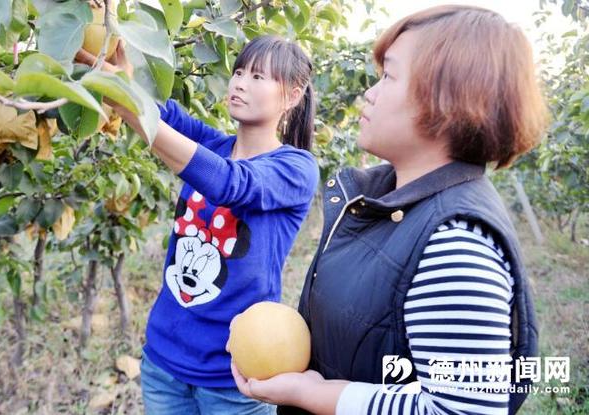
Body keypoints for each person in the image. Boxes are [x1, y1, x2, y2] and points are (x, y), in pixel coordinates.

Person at [229, 5, 548, 415]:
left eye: (389, 75)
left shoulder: (456, 244)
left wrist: (313, 394)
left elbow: (462, 411)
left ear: (447, 99)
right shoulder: (383, 203)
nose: (371, 93)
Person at [77, 35, 319, 414]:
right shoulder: (214, 144)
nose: (240, 82)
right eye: (239, 72)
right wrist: (80, 45)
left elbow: (228, 183)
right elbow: (158, 111)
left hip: (236, 377)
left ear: (291, 95)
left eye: (258, 76)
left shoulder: (296, 169)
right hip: (164, 364)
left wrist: (128, 107)